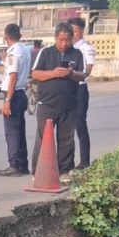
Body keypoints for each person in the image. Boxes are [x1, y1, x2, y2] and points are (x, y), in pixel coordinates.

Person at [31, 22, 85, 183]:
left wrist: (72, 73)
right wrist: (53, 73)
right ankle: (38, 171)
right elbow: (35, 74)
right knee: (43, 139)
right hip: (47, 105)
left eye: (68, 40)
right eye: (61, 39)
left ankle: (64, 170)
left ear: (72, 38)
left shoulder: (77, 54)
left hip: (69, 105)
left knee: (67, 139)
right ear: (55, 38)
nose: (64, 43)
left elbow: (82, 76)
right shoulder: (46, 52)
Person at [0, 24, 30, 177]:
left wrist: (7, 100)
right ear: (20, 35)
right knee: (19, 131)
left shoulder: (13, 52)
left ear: (6, 37)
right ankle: (22, 164)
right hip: (21, 93)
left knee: (12, 132)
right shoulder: (24, 50)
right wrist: (5, 62)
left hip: (14, 94)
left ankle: (14, 165)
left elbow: (13, 77)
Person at [68, 17, 96, 170]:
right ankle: (67, 161)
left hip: (79, 89)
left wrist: (73, 74)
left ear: (82, 31)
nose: (73, 34)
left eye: (75, 31)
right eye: (71, 31)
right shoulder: (67, 48)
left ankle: (85, 161)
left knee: (80, 125)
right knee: (67, 126)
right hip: (67, 90)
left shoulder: (86, 48)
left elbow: (88, 71)